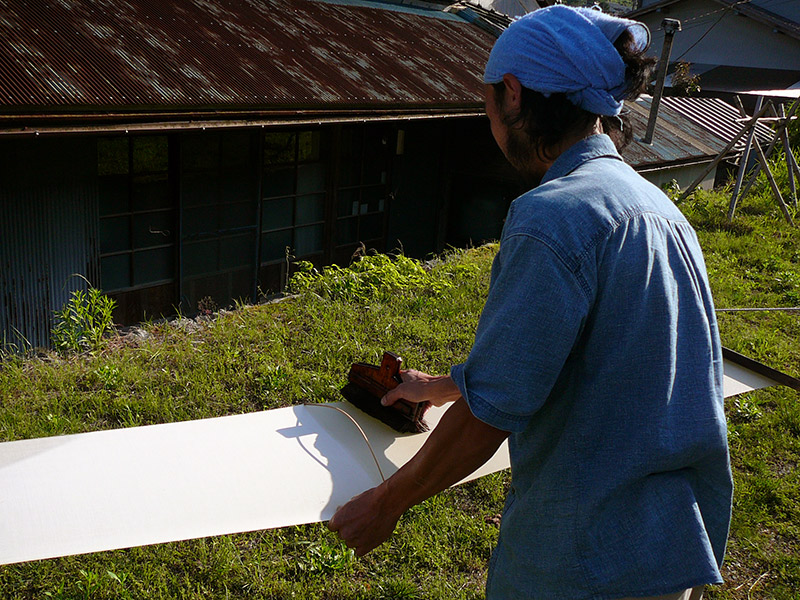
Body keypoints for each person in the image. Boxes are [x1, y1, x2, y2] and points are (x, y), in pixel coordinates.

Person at [328, 6, 733, 599]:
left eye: (487, 103)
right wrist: (438, 387)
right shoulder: (657, 209)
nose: (488, 119)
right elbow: (587, 356)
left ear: (513, 94)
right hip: (668, 545)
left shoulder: (554, 217)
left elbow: (490, 417)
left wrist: (386, 503)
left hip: (584, 563)